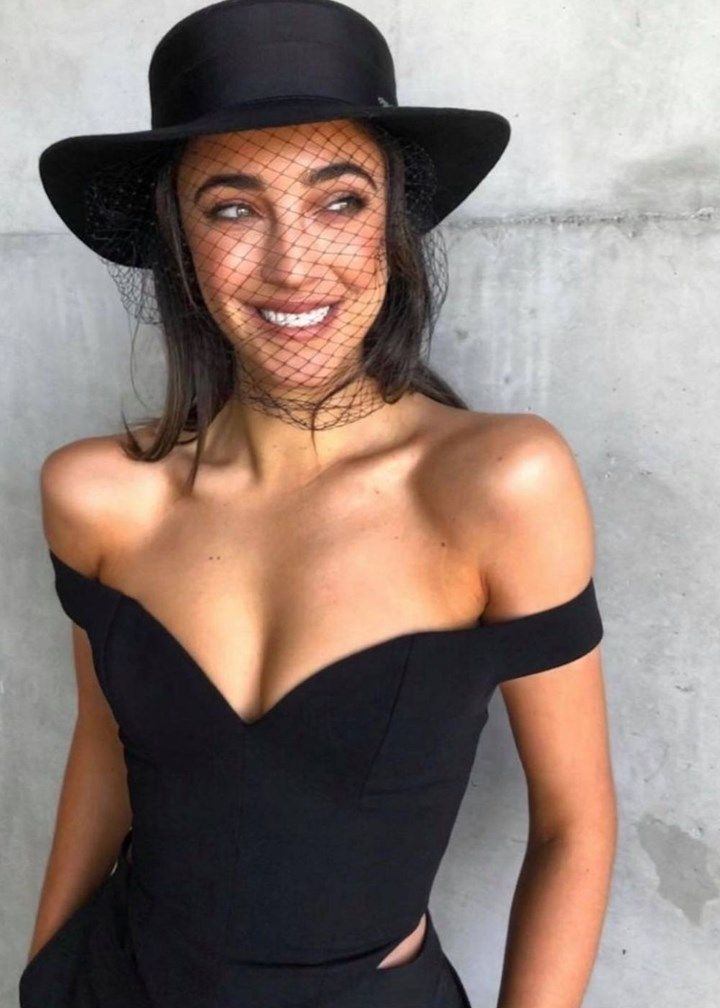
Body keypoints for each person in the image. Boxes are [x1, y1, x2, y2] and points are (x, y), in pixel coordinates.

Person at [21, 1, 616, 1006]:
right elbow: (104, 751)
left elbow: (575, 823)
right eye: (232, 209)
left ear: (394, 222)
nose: (292, 264)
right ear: (179, 239)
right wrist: (39, 978)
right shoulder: (98, 498)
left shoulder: (500, 486)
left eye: (339, 200)